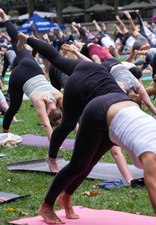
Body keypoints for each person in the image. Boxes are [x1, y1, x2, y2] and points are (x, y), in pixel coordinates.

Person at [37, 91, 156, 225]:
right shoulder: (151, 161)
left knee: (90, 163)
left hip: (122, 109)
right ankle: (46, 206)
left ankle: (66, 199)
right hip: (100, 110)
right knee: (79, 165)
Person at [17, 31, 126, 173]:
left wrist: (75, 51)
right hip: (79, 84)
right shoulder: (113, 112)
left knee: (56, 59)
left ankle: (27, 39)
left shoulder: (122, 103)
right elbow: (111, 147)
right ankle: (51, 157)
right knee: (68, 124)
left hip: (91, 68)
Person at [0, 9, 63, 141]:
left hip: (32, 67)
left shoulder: (59, 95)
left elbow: (73, 118)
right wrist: (54, 148)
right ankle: (4, 133)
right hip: (19, 75)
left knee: (17, 44)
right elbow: (46, 124)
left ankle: (5, 17)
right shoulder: (40, 101)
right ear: (47, 112)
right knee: (14, 107)